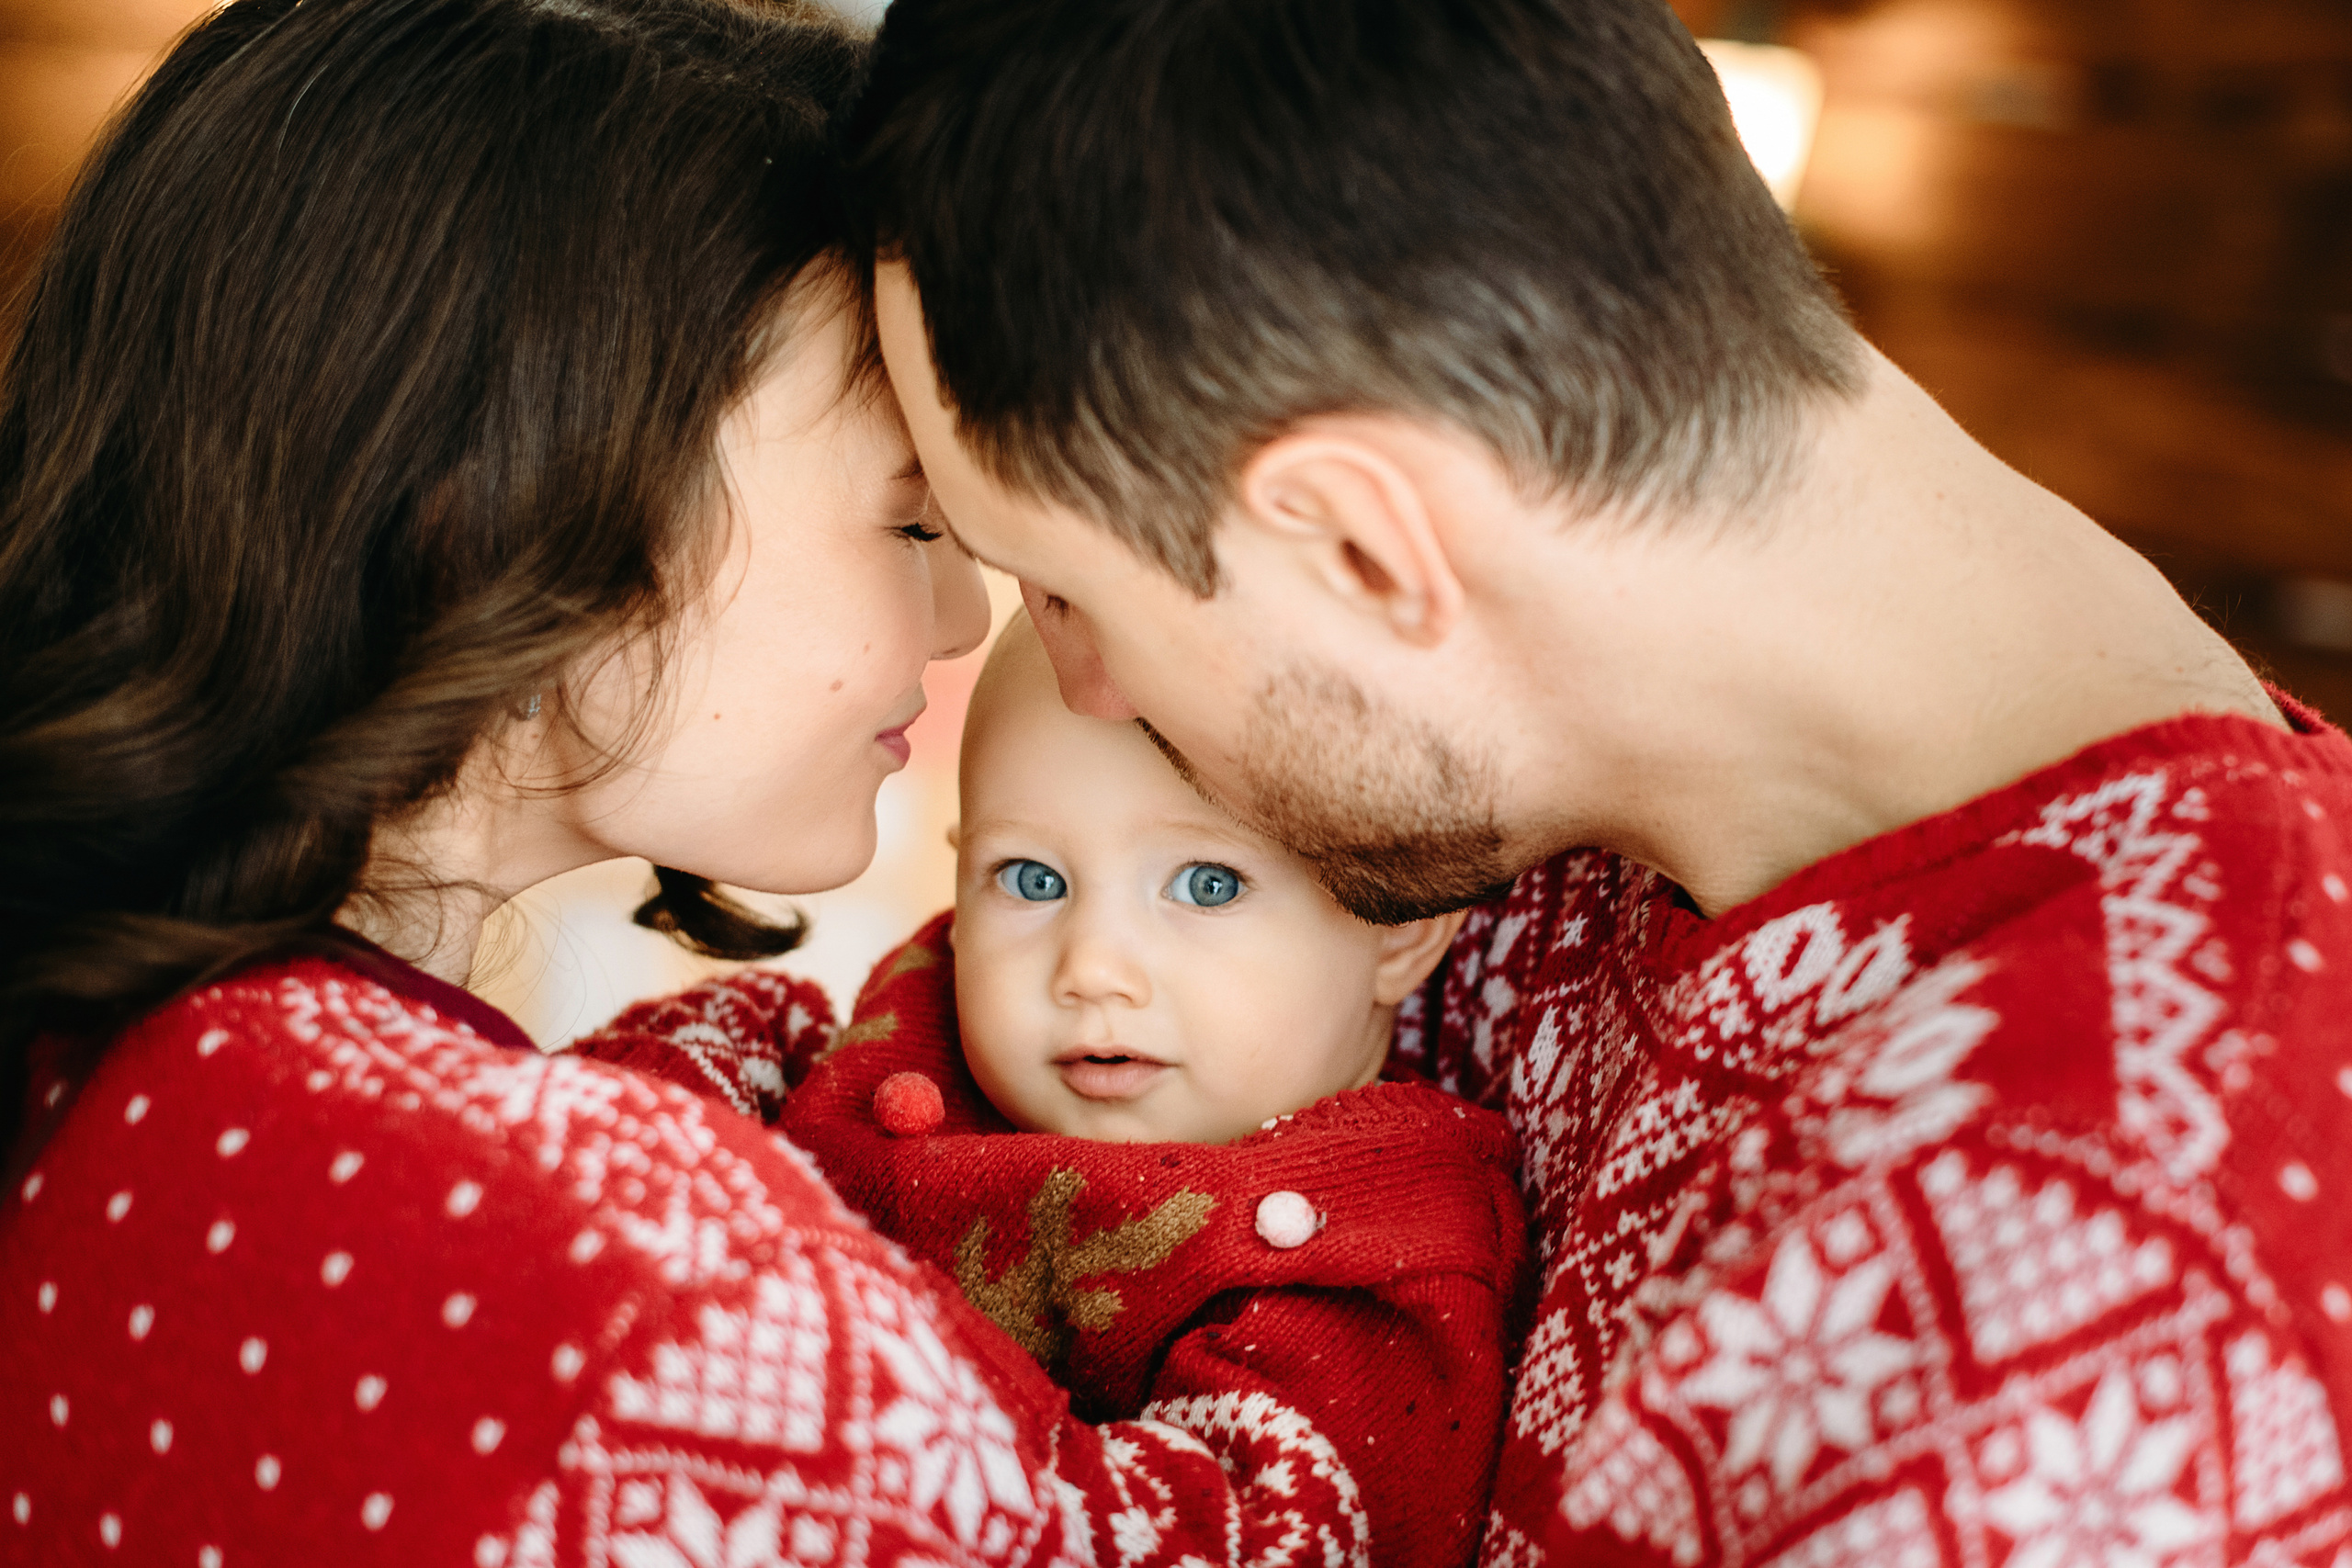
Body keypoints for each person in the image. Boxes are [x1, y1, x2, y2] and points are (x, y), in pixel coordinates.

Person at [0, 4, 1545, 1564]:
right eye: (913, 523)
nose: (961, 624)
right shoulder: (590, 1247)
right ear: (512, 510)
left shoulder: (143, 1059)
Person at [849, 0, 2352, 1563]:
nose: (1078, 692)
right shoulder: (1515, 790)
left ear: (1365, 541)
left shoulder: (2142, 1294)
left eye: (1065, 595)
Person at [766, 613, 1525, 1568]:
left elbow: (1234, 1537)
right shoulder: (925, 1013)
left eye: (1207, 885)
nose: (1092, 968)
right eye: (1032, 879)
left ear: (1398, 928)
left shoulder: (1376, 1261)